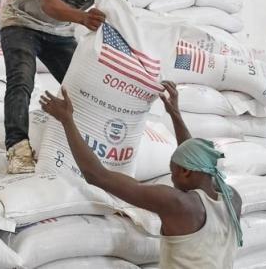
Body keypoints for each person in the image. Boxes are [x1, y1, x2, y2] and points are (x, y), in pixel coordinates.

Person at [40, 82, 243, 269]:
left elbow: (97, 175)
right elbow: (196, 159)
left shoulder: (178, 204)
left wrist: (67, 121)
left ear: (185, 171)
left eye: (172, 173)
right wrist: (175, 114)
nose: (172, 180)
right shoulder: (232, 198)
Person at [0, 0, 130, 173]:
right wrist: (84, 18)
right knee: (22, 78)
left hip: (60, 31)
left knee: (87, 87)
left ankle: (81, 147)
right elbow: (49, 1)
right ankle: (17, 148)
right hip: (22, 20)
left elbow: (120, 15)